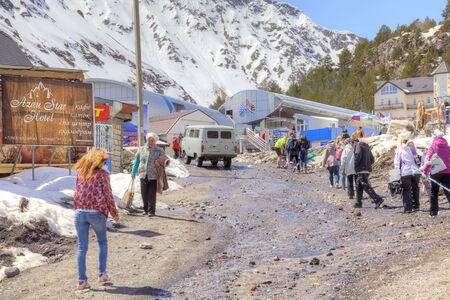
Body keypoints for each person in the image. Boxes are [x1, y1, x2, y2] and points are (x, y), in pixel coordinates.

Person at [73, 149, 120, 290]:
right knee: (102, 242)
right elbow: (108, 195)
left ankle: (81, 281)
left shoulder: (80, 172)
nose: (104, 163)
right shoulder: (102, 174)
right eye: (103, 161)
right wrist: (114, 212)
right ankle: (102, 275)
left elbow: (77, 191)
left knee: (82, 247)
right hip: (97, 213)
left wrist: (77, 208)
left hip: (80, 212)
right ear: (96, 160)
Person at [131, 132, 168, 216]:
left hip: (154, 175)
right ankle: (145, 210)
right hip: (143, 174)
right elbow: (137, 161)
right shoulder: (141, 149)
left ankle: (151, 211)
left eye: (152, 140)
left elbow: (165, 161)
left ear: (155, 141)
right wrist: (133, 173)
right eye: (149, 140)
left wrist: (159, 162)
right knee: (144, 193)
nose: (150, 142)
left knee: (151, 193)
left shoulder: (159, 150)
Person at [424, 131, 450, 216]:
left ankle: (433, 212)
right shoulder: (447, 146)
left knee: (434, 192)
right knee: (448, 191)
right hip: (447, 171)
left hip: (436, 172)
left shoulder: (433, 146)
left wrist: (425, 171)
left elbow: (429, 160)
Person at [353, 138, 384, 208]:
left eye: (352, 144)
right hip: (366, 169)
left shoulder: (358, 145)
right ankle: (358, 202)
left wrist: (355, 165)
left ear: (354, 142)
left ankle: (378, 199)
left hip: (361, 169)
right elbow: (372, 159)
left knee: (365, 185)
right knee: (359, 186)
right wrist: (367, 165)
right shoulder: (367, 147)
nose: (353, 147)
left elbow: (357, 156)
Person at [394, 139, 420, 213]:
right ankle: (416, 206)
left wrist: (398, 173)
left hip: (405, 172)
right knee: (415, 188)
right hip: (415, 171)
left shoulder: (400, 150)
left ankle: (408, 208)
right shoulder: (413, 150)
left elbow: (396, 163)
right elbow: (417, 161)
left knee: (406, 189)